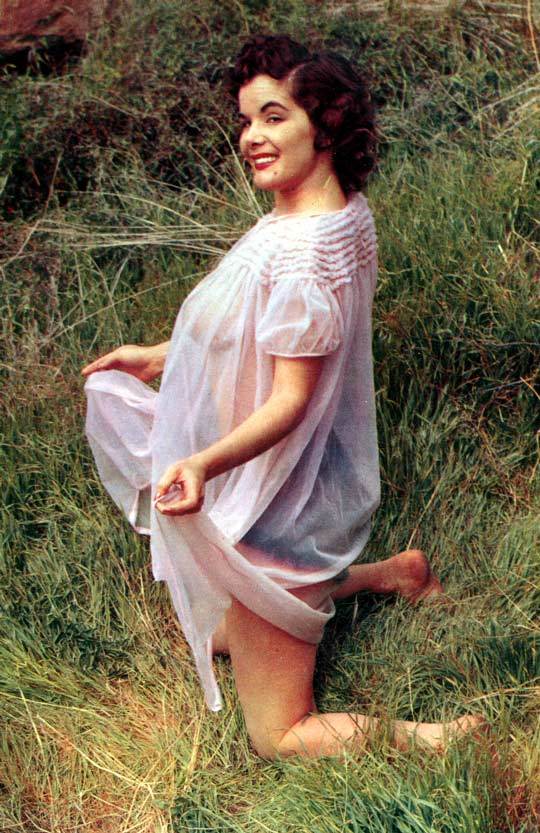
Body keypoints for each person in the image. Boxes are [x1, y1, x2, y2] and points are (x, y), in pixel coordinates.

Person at [82, 35, 482, 759]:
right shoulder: (331, 214)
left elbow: (290, 399)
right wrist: (162, 356)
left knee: (276, 734)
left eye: (273, 117)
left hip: (279, 496)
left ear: (325, 125)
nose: (251, 138)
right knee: (216, 626)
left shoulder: (305, 256)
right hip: (297, 477)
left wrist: (203, 463)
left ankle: (443, 740)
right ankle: (395, 573)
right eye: (246, 121)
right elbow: (256, 331)